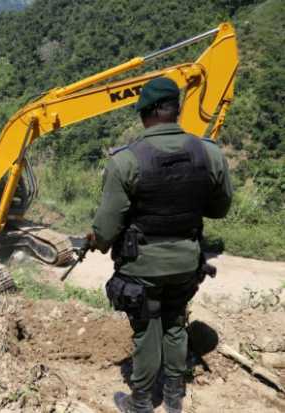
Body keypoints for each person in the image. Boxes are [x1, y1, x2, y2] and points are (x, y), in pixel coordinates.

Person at [86, 78, 233, 413]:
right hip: (186, 263)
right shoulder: (209, 153)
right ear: (175, 110)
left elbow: (106, 231)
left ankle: (140, 403)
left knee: (146, 332)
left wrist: (96, 240)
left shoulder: (125, 161)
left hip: (143, 268)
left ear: (148, 113)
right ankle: (173, 398)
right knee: (175, 323)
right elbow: (219, 209)